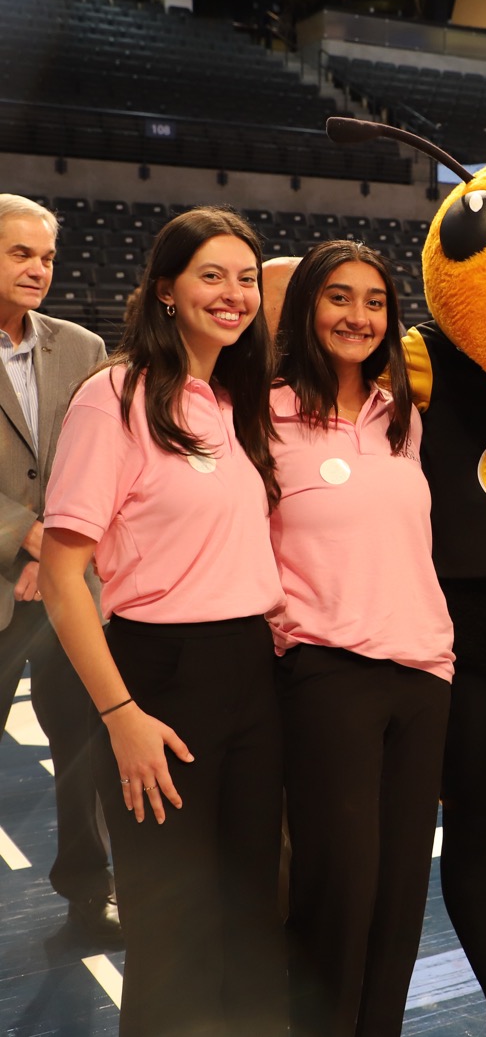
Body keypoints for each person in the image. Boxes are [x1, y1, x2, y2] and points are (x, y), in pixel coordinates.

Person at [38, 207, 287, 1037]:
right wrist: (120, 716)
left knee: (253, 916)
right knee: (172, 932)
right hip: (159, 679)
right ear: (165, 292)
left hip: (253, 671)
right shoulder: (113, 395)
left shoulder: (233, 400)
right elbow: (68, 577)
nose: (234, 293)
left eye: (246, 277)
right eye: (210, 275)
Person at [269, 240, 454, 1037]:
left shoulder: (400, 416)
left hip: (422, 673)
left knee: (400, 892)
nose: (358, 316)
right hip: (326, 671)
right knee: (337, 889)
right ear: (307, 306)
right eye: (339, 297)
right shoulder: (262, 415)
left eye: (375, 301)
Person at [0, 193, 117, 945]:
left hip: (69, 583)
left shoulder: (81, 345)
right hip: (17, 572)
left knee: (84, 748)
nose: (39, 268)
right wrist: (26, 536)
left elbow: (99, 461)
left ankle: (88, 891)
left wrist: (62, 548)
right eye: (20, 253)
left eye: (45, 255)